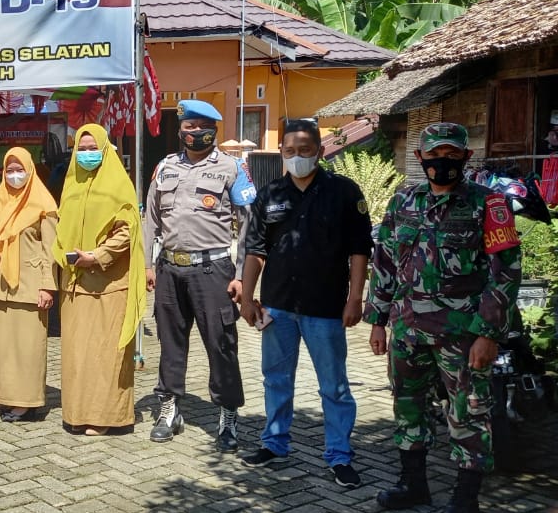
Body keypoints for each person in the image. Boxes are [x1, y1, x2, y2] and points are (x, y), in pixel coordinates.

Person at [366, 122, 521, 513]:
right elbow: (383, 263)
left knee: (469, 413)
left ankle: (465, 499)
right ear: (420, 159)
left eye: (452, 155)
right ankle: (413, 482)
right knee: (408, 407)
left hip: (462, 334)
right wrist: (378, 321)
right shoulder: (403, 200)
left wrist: (489, 333)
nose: (442, 163)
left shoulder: (490, 205)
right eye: (434, 156)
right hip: (407, 328)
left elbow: (505, 273)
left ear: (466, 158)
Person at [238, 119, 373, 487]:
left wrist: (355, 299)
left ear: (321, 150)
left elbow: (360, 250)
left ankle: (339, 455)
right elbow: (255, 249)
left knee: (334, 386)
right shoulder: (270, 194)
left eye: (305, 150)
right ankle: (274, 442)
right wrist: (247, 298)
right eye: (290, 151)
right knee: (275, 379)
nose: (298, 157)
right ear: (281, 151)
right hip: (277, 306)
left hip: (326, 308)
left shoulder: (344, 193)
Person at [143, 99, 256, 451]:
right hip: (170, 268)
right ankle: (170, 407)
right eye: (187, 127)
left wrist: (241, 276)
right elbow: (150, 218)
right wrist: (148, 263)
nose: (193, 133)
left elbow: (249, 224)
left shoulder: (232, 168)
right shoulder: (164, 167)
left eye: (199, 126)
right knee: (170, 343)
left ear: (213, 129)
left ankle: (228, 415)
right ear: (180, 131)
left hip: (214, 270)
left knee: (221, 343)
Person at [52, 124, 148, 436]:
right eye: (82, 148)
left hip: (108, 285)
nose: (87, 154)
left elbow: (127, 229)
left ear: (106, 150)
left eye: (94, 148)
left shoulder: (118, 184)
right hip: (75, 286)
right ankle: (78, 414)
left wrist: (98, 255)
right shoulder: (71, 184)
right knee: (78, 355)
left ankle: (108, 418)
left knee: (106, 355)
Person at [0, 147, 58, 422]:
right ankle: (6, 397)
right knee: (3, 349)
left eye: (20, 170)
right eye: (9, 170)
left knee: (28, 348)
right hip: (1, 287)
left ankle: (27, 402)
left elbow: (50, 250)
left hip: (30, 287)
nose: (14, 175)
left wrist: (47, 286)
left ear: (30, 171)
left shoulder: (44, 205)